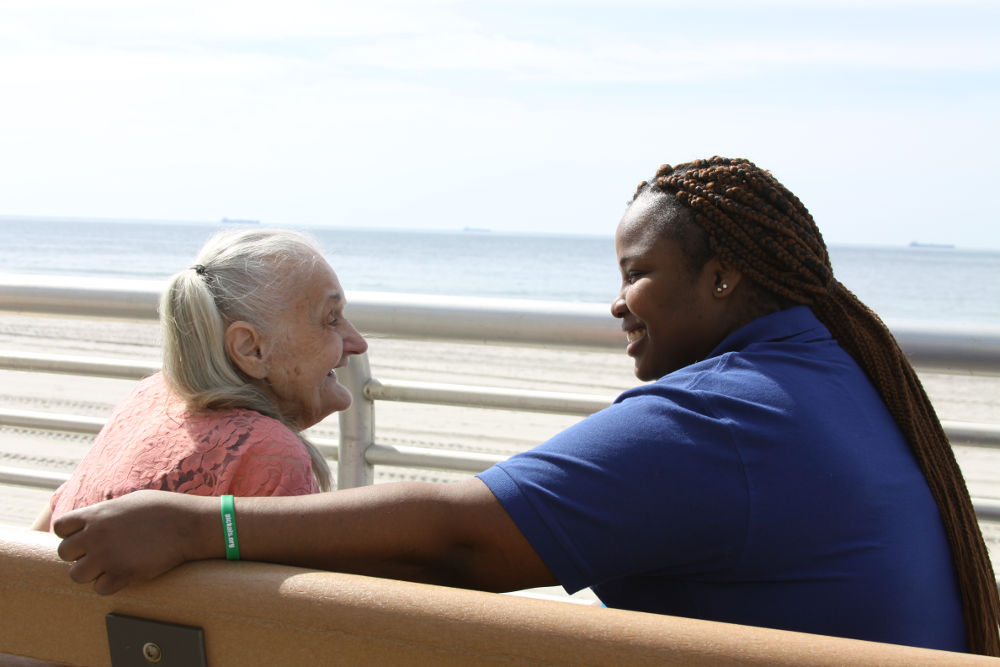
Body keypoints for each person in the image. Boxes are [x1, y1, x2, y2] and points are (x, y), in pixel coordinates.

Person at [53, 158, 1000, 655]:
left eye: (637, 273)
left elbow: (464, 539)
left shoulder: (729, 419)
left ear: (720, 278)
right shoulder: (829, 376)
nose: (617, 302)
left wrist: (200, 523)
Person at [34, 228, 367, 530]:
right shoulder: (270, 455)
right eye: (331, 319)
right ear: (251, 349)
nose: (358, 343)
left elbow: (51, 522)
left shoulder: (151, 396)